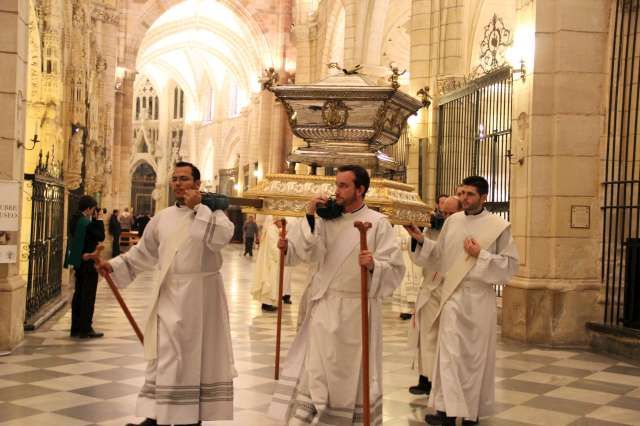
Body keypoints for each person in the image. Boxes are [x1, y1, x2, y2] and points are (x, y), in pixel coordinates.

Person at [96, 161, 235, 426]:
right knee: (164, 354)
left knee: (194, 359)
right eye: (174, 179)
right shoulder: (164, 217)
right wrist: (113, 266)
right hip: (169, 293)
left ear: (197, 183)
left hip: (200, 299)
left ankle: (190, 417)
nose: (178, 184)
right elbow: (143, 252)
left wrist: (199, 209)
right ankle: (156, 415)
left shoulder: (214, 214)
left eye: (184, 179)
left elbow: (220, 239)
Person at [269, 164, 405, 426]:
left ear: (361, 189)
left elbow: (396, 269)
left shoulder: (378, 224)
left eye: (343, 185)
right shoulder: (326, 220)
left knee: (351, 371)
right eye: (336, 185)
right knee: (318, 367)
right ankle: (317, 415)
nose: (337, 191)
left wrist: (375, 264)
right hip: (325, 305)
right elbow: (305, 253)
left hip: (357, 311)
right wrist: (307, 219)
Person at [404, 176, 518, 426]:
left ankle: (469, 414)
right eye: (462, 193)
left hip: (478, 301)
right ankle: (445, 410)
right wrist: (421, 240)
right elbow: (439, 256)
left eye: (470, 194)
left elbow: (509, 267)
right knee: (448, 355)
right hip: (452, 297)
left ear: (483, 197)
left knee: (473, 358)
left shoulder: (498, 226)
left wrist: (481, 255)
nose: (464, 198)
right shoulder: (453, 221)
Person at [407, 196, 462, 396]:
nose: (445, 217)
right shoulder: (433, 229)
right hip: (429, 288)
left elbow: (445, 258)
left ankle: (435, 380)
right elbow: (420, 259)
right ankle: (425, 377)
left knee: (438, 338)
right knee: (424, 335)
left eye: (451, 213)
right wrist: (417, 236)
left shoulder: (461, 232)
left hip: (445, 289)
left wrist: (424, 242)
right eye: (443, 212)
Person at [64, 195, 105, 339]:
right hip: (88, 263)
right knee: (87, 296)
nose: (94, 212)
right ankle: (85, 328)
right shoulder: (85, 223)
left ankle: (76, 328)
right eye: (93, 209)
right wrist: (99, 219)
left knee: (79, 295)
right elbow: (101, 236)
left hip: (79, 263)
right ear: (89, 208)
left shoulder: (75, 219)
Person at [252, 217, 292, 312]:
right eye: (281, 222)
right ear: (276, 221)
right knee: (269, 281)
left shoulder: (272, 229)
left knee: (271, 281)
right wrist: (282, 250)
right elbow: (274, 247)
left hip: (271, 260)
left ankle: (268, 303)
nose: (282, 224)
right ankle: (267, 304)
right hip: (271, 261)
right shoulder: (271, 230)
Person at [393, 225, 422, 321]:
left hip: (418, 256)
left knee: (419, 282)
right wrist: (408, 240)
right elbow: (393, 241)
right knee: (405, 282)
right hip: (405, 257)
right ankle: (405, 310)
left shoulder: (419, 223)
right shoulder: (398, 225)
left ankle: (417, 309)